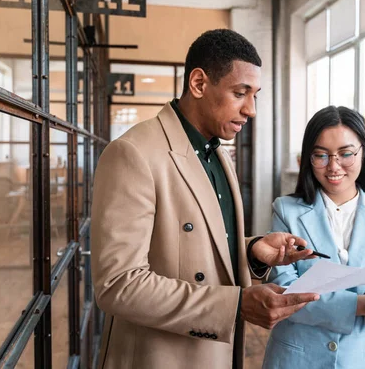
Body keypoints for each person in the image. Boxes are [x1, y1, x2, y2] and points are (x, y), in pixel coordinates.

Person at [91, 29, 319, 369]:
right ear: (198, 83)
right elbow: (117, 284)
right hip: (161, 357)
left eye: (255, 95)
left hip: (213, 353)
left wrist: (253, 252)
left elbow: (195, 243)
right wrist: (235, 305)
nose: (251, 109)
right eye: (240, 93)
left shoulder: (216, 153)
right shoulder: (133, 153)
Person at [262, 106, 365, 369]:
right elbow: (286, 292)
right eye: (321, 155)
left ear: (364, 153)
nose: (333, 166)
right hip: (297, 358)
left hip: (364, 360)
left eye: (346, 154)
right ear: (307, 158)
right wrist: (364, 306)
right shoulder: (286, 210)